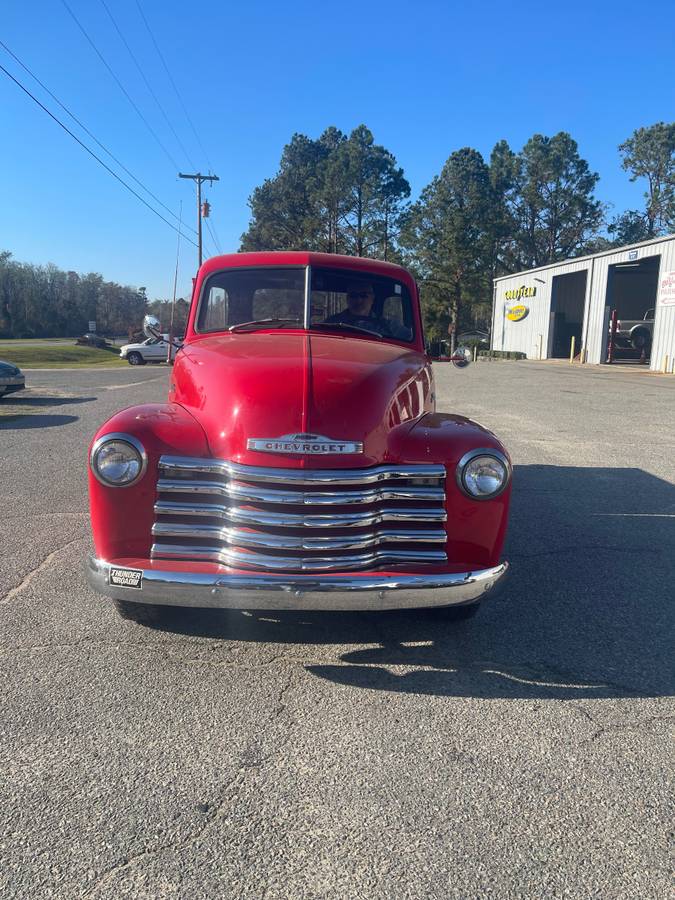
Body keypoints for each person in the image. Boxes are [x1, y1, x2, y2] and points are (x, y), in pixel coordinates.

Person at [324, 280, 392, 335]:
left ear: (372, 299)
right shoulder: (332, 324)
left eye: (363, 295)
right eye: (353, 295)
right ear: (347, 299)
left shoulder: (388, 327)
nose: (358, 300)